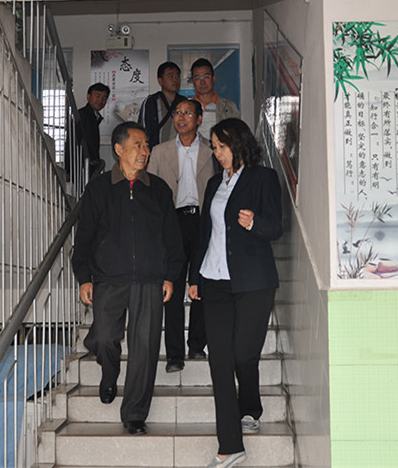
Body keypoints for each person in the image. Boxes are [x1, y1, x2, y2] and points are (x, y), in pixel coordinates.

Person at [72, 121, 185, 436]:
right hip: (109, 277)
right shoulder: (99, 188)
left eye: (147, 145)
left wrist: (170, 276)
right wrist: (84, 277)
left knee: (144, 348)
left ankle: (135, 413)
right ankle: (109, 373)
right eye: (138, 144)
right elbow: (85, 237)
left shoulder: (158, 189)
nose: (144, 151)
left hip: (150, 279)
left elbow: (172, 238)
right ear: (119, 149)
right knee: (104, 338)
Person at [188, 118, 282, 468]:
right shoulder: (214, 183)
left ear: (239, 143)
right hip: (214, 280)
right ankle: (230, 445)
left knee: (244, 354)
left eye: (222, 146)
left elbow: (276, 227)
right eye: (214, 147)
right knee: (220, 361)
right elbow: (205, 234)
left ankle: (251, 407)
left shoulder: (263, 178)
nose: (218, 153)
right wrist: (195, 276)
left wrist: (254, 222)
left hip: (253, 281)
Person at [147, 99, 217, 373]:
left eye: (188, 112)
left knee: (202, 283)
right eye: (177, 112)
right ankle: (174, 354)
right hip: (171, 223)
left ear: (199, 118)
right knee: (172, 288)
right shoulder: (159, 151)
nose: (181, 117)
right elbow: (150, 192)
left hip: (202, 222)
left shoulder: (213, 150)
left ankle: (197, 344)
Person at [138, 62, 187, 148]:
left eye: (177, 76)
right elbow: (144, 131)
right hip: (157, 152)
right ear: (160, 80)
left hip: (180, 151)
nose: (175, 79)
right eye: (171, 76)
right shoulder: (152, 101)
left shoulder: (184, 102)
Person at [65, 83, 110, 179]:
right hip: (80, 168)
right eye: (97, 96)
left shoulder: (93, 117)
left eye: (104, 98)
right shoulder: (82, 116)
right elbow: (71, 142)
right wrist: (68, 170)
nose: (100, 100)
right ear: (88, 97)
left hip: (87, 167)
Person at [190, 58, 240, 139]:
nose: (202, 82)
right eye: (197, 78)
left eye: (206, 77)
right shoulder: (185, 108)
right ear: (193, 82)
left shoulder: (229, 106)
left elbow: (237, 137)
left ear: (213, 79)